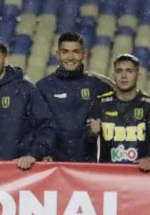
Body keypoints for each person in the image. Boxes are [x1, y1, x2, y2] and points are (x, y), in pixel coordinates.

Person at [0, 41, 56, 169]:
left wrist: (33, 155)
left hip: (20, 170)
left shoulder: (25, 89)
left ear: (5, 61)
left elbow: (47, 126)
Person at [36, 32, 113, 162]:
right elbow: (35, 127)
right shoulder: (43, 87)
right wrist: (42, 154)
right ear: (58, 54)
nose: (70, 57)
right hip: (52, 165)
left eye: (75, 51)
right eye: (65, 51)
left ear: (84, 54)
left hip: (86, 166)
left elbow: (125, 99)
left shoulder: (96, 85)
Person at [88, 54, 150, 171]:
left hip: (138, 174)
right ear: (114, 75)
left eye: (129, 71)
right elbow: (89, 139)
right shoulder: (100, 102)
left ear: (138, 75)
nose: (123, 76)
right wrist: (92, 133)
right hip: (108, 175)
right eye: (119, 71)